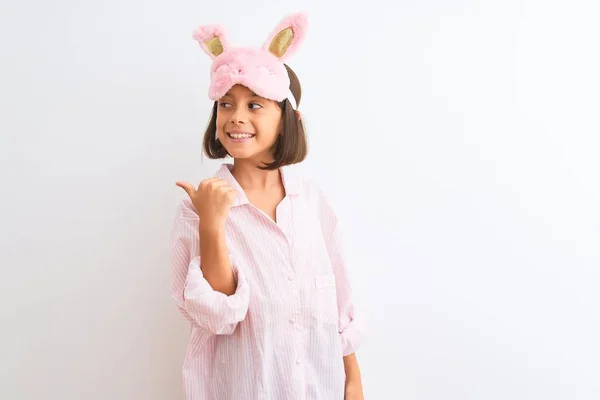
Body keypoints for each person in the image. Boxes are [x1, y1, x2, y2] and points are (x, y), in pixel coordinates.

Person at [170, 12, 366, 400]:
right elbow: (218, 316)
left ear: (287, 118)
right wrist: (212, 224)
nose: (236, 117)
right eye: (226, 105)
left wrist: (353, 382)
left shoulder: (310, 200)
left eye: (254, 105)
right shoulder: (199, 207)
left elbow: (338, 303)